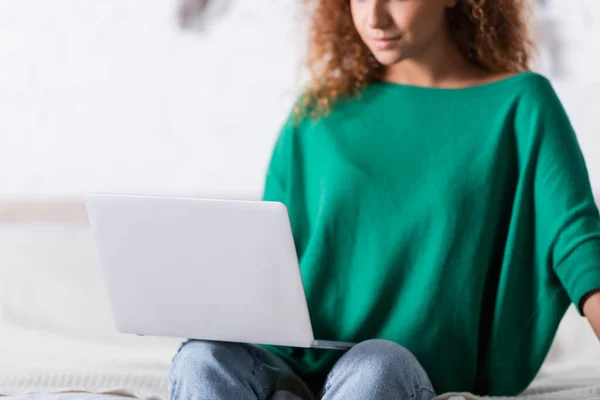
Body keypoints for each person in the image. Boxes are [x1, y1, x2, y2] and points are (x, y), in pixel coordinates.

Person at [169, 0, 600, 399]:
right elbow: (266, 258)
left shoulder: (520, 104)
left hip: (397, 367)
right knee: (201, 360)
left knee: (376, 366)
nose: (374, 18)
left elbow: (580, 248)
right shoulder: (316, 114)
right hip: (288, 361)